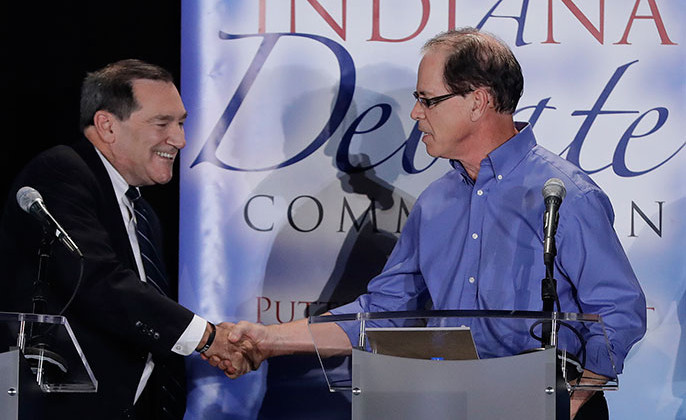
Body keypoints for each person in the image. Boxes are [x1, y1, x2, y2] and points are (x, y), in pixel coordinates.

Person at [217, 28, 647, 419]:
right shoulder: (436, 202)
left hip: (550, 406)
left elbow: (618, 312)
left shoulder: (565, 193)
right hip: (454, 404)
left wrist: (572, 402)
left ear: (478, 101)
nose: (415, 113)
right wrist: (267, 340)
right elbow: (382, 315)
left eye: (428, 99)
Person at [0, 59, 250, 419]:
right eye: (162, 123)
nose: (180, 139)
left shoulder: (143, 214)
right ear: (107, 125)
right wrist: (208, 337)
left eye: (181, 123)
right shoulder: (60, 173)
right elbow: (95, 280)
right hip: (49, 408)